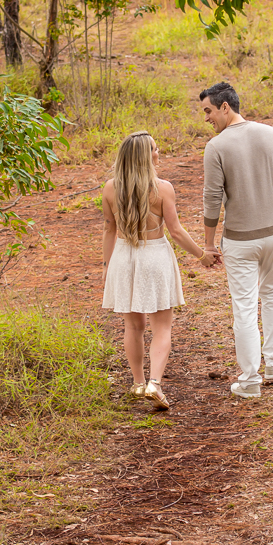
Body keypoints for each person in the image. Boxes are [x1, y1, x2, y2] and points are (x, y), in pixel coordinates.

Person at [102, 131, 218, 410]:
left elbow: (109, 229)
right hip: (154, 256)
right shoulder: (162, 188)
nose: (158, 152)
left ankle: (138, 383)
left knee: (133, 326)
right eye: (155, 148)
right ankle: (155, 383)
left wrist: (107, 268)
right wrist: (202, 255)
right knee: (162, 327)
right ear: (144, 156)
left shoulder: (110, 188)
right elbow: (175, 231)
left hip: (123, 257)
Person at [200, 82, 273, 399]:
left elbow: (212, 200)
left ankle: (250, 380)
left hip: (240, 241)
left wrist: (208, 244)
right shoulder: (271, 134)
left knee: (244, 307)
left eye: (208, 111)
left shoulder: (216, 147)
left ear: (225, 106)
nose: (207, 118)